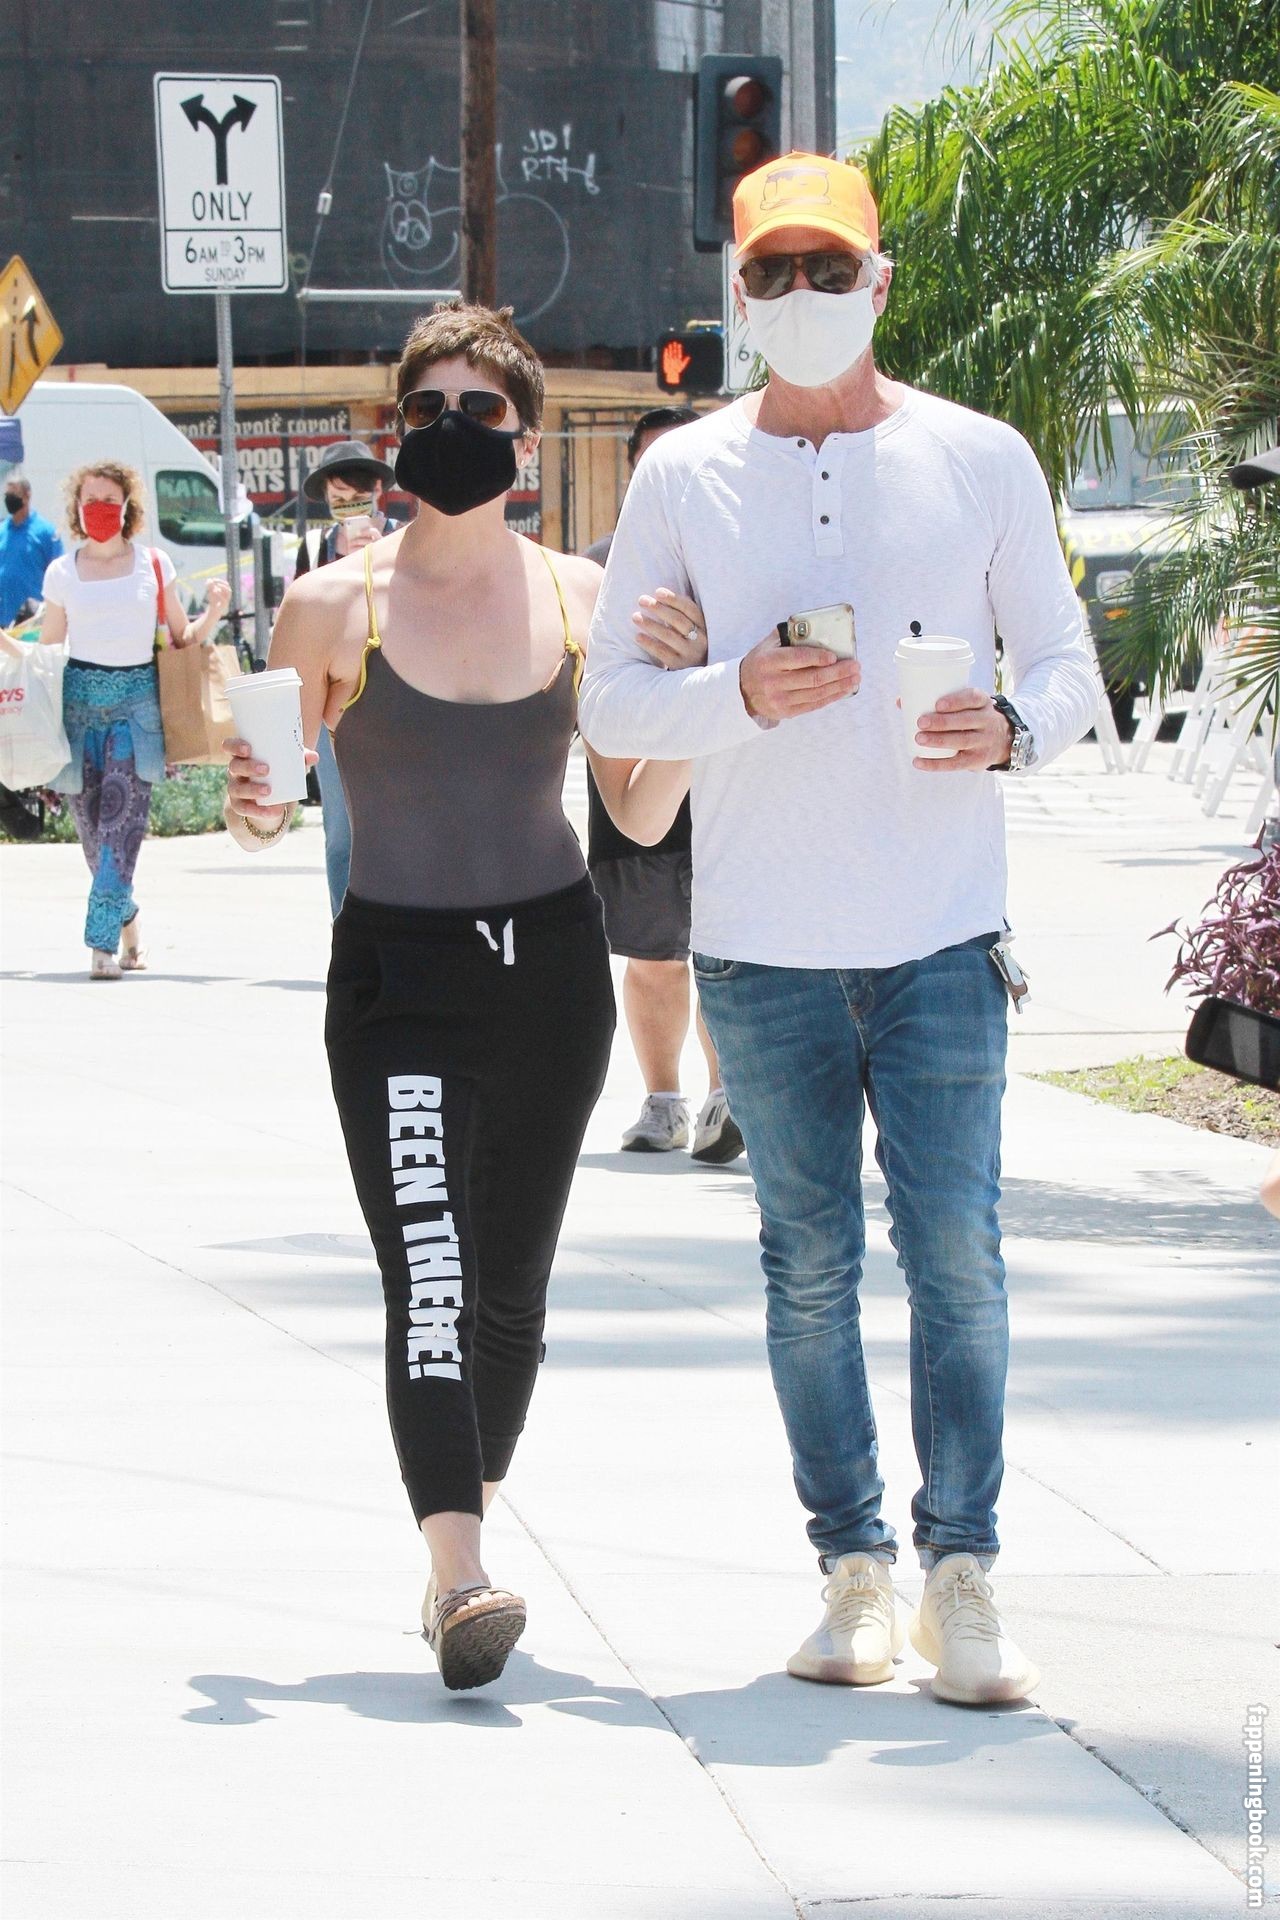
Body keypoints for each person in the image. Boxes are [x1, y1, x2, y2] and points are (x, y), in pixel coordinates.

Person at [580, 153, 1100, 1706]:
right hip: (758, 950)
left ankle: (965, 1576)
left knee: (959, 1261)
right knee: (807, 1269)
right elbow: (611, 706)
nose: (801, 295)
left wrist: (1013, 726)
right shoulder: (682, 475)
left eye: (828, 269)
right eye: (772, 273)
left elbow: (1069, 668)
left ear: (879, 281)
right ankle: (854, 1573)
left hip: (943, 936)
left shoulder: (981, 457)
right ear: (737, 296)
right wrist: (733, 691)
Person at [224, 303, 705, 1691]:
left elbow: (635, 809)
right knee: (429, 1273)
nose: (450, 429)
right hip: (398, 979)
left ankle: (457, 1535)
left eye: (479, 410)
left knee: (512, 1296)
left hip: (550, 972)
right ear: (394, 435)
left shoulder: (582, 599)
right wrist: (252, 801)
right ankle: (461, 1573)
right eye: (424, 408)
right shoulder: (336, 604)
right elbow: (268, 805)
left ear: (525, 440)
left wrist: (688, 701)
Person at [583, 407, 744, 1162]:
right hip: (635, 781)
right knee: (651, 954)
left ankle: (724, 1095)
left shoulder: (739, 557)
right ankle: (662, 1100)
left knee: (723, 949)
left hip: (728, 784)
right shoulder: (603, 570)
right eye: (654, 463)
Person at [37, 462, 230, 978]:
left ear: (127, 507)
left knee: (120, 831)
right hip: (78, 712)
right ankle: (131, 930)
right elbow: (49, 650)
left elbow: (181, 638)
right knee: (93, 841)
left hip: (136, 711)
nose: (99, 508)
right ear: (77, 508)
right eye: (90, 499)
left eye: (109, 499)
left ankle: (100, 946)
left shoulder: (153, 564)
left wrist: (213, 613)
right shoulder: (61, 573)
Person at [294, 440, 397, 918]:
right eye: (338, 498)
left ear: (377, 492)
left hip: (393, 699)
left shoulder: (400, 541)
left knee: (396, 824)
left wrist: (377, 561)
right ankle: (346, 933)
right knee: (340, 832)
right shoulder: (313, 548)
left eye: (357, 497)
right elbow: (299, 619)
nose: (349, 507)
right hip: (330, 702)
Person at [0, 472, 63, 624]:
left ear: (27, 496)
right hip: (4, 617)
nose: (9, 499)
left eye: (14, 494)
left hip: (32, 619)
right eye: (7, 495)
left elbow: (59, 573)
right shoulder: (2, 530)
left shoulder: (45, 532)